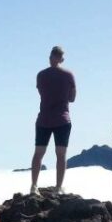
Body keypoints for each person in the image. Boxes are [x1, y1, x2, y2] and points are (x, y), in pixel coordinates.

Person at [30, 45, 76, 195]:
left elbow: (41, 92)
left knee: (39, 152)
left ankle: (34, 186)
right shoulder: (68, 75)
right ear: (62, 59)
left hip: (44, 118)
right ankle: (58, 187)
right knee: (61, 154)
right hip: (62, 119)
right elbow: (72, 98)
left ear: (50, 57)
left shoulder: (41, 75)